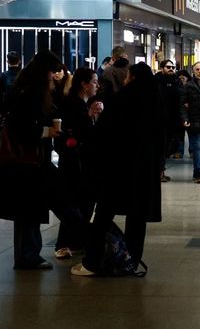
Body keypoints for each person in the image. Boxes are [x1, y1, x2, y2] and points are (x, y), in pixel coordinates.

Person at [72, 62, 164, 276]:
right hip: (144, 171)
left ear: (131, 78)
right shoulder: (155, 102)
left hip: (117, 169)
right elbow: (161, 139)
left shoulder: (121, 99)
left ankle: (92, 262)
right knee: (137, 218)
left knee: (103, 215)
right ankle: (130, 261)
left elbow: (103, 135)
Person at [0, 50, 64, 269]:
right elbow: (22, 127)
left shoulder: (23, 88)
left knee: (29, 209)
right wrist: (46, 131)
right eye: (52, 72)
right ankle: (28, 255)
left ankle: (29, 253)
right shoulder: (31, 94)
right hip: (28, 161)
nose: (54, 77)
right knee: (29, 209)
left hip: (28, 162)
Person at [53, 67, 103, 259]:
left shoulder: (83, 103)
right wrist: (88, 118)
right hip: (74, 162)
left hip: (82, 161)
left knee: (83, 202)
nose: (97, 85)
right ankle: (63, 243)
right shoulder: (72, 103)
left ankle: (74, 240)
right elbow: (74, 132)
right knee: (74, 202)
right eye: (94, 81)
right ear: (84, 84)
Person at [155, 59, 182, 181]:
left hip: (173, 119)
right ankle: (159, 172)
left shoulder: (177, 81)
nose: (171, 69)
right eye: (168, 67)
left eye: (173, 67)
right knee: (160, 147)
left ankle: (160, 170)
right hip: (159, 119)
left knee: (167, 147)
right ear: (162, 68)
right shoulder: (156, 81)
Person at [174, 69, 192, 158]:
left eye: (183, 78)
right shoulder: (176, 86)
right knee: (180, 134)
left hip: (191, 113)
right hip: (179, 113)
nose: (182, 80)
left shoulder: (192, 86)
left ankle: (192, 151)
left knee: (191, 133)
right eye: (180, 78)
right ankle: (179, 151)